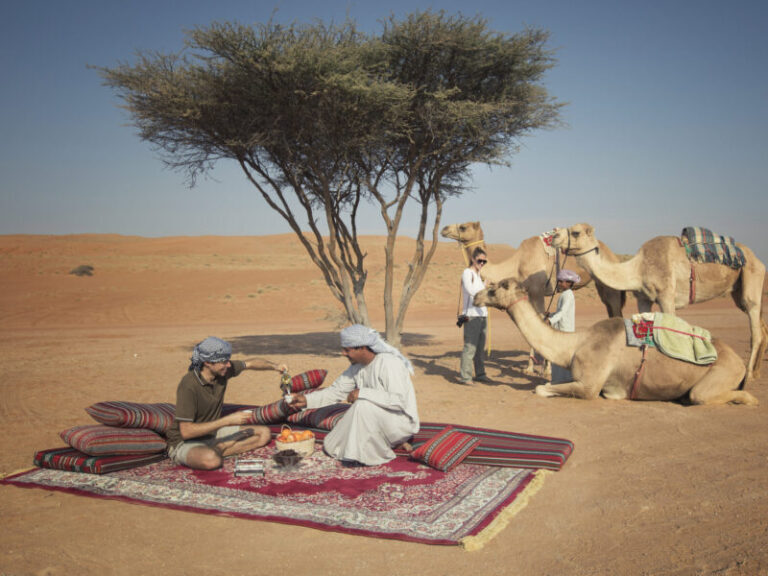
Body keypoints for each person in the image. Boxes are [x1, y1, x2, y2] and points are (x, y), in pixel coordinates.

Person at [291, 325, 419, 466]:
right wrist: (306, 400)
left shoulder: (389, 363)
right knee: (331, 445)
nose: (343, 353)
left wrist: (362, 393)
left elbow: (399, 400)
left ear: (362, 348)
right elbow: (335, 391)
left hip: (400, 423)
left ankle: (362, 458)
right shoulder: (356, 367)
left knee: (362, 405)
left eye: (347, 350)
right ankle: (383, 443)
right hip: (377, 420)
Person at [165, 336, 288, 470]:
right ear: (208, 363)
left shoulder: (222, 371)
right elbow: (186, 432)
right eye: (224, 362)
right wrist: (228, 421)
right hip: (185, 442)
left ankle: (217, 448)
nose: (229, 365)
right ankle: (220, 447)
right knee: (211, 460)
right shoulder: (189, 385)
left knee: (264, 434)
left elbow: (250, 363)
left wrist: (276, 366)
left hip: (212, 433)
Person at [458, 247, 491, 385]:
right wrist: (484, 287)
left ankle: (480, 374)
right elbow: (471, 291)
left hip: (482, 315)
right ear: (473, 259)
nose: (482, 263)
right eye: (480, 260)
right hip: (471, 316)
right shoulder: (467, 273)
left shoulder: (478, 275)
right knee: (470, 347)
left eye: (484, 261)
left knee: (480, 348)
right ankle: (466, 377)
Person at [545, 269, 580, 384]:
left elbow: (563, 312)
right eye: (558, 281)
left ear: (569, 283)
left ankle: (562, 381)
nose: (559, 283)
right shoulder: (565, 294)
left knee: (563, 357)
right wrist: (550, 315)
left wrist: (550, 320)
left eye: (561, 281)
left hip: (565, 331)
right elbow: (559, 312)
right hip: (561, 330)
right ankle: (558, 380)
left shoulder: (568, 295)